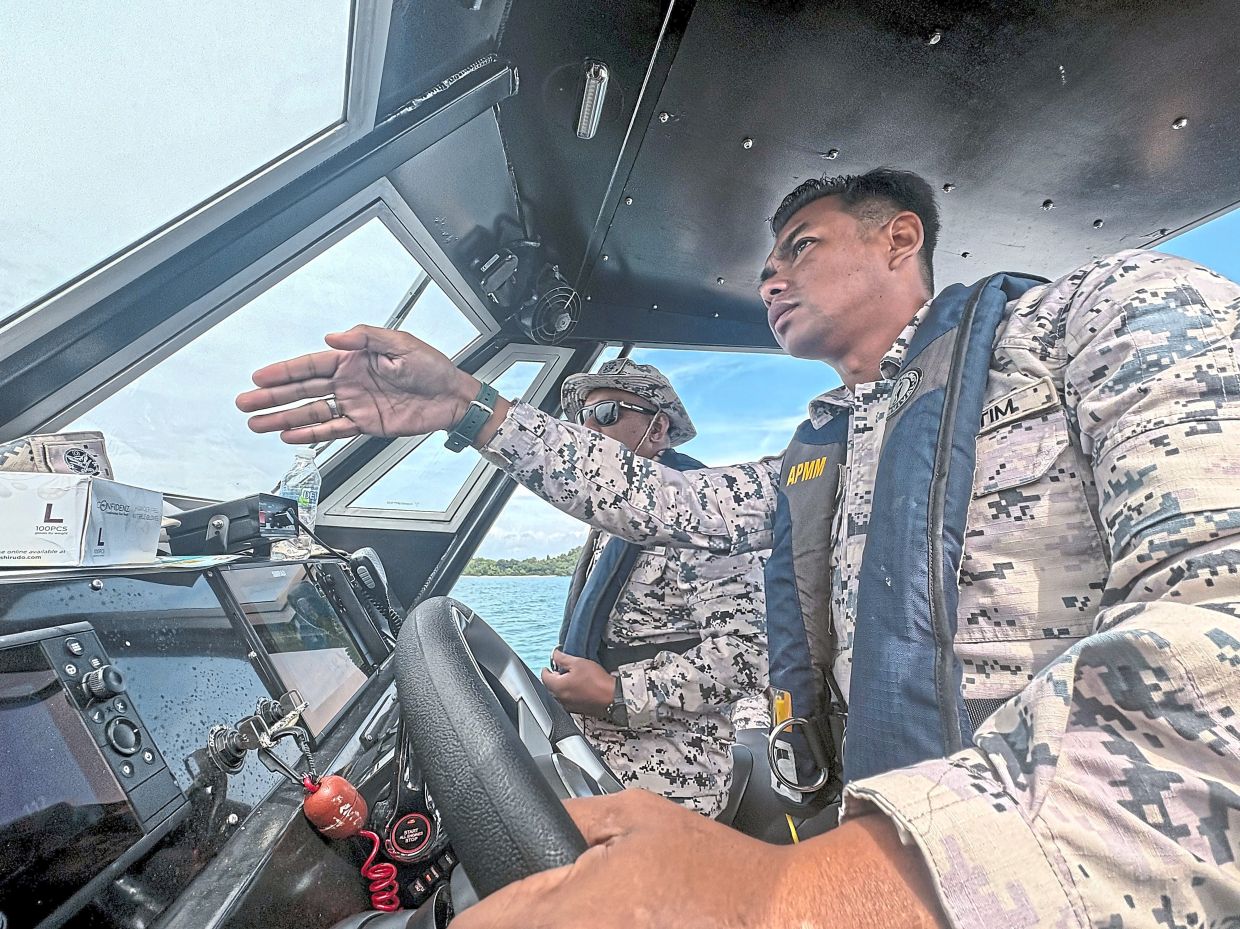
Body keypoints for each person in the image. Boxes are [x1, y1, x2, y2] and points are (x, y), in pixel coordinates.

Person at [237, 168, 1240, 927]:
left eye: (799, 246)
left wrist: (808, 891)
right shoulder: (833, 450)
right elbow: (656, 497)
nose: (768, 274)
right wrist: (470, 406)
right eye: (765, 261)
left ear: (900, 240)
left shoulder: (1106, 312)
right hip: (870, 832)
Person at [539, 358, 769, 817]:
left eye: (605, 415)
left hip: (668, 771)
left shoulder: (702, 522)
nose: (588, 430)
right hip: (592, 751)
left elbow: (749, 657)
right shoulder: (612, 523)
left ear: (658, 428)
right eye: (581, 419)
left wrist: (615, 692)